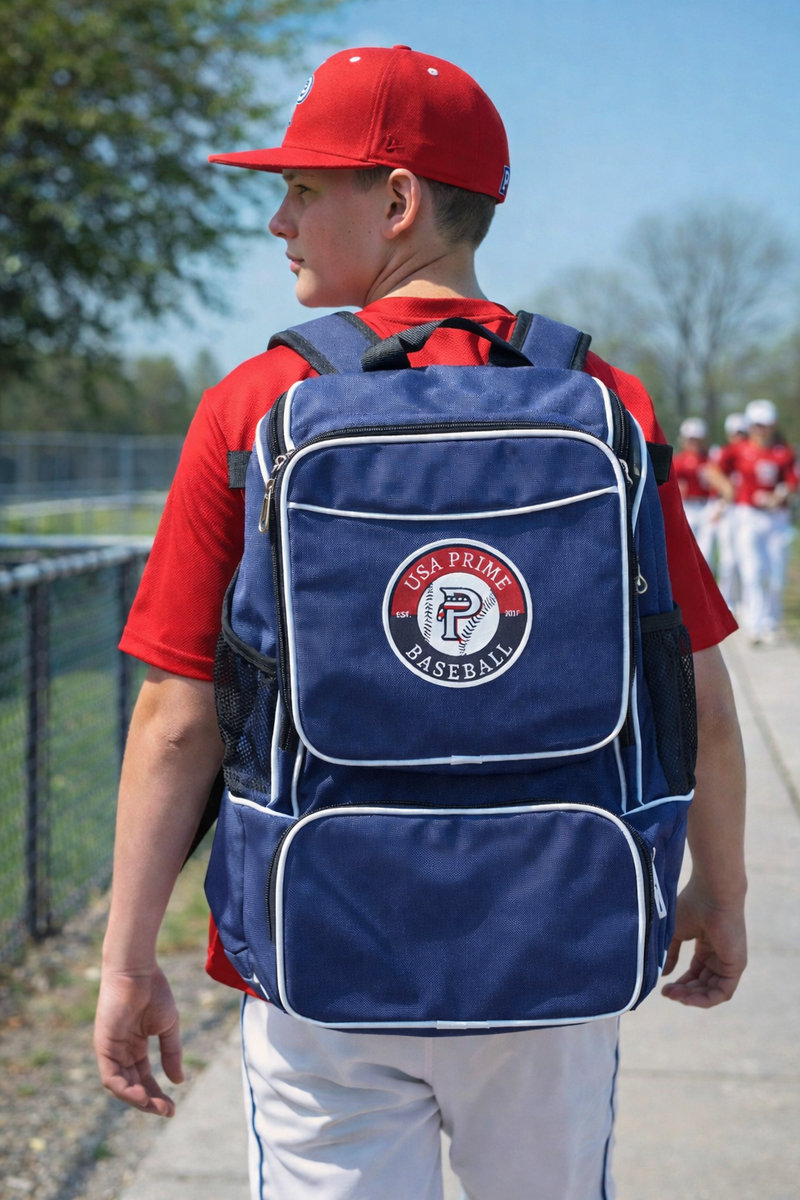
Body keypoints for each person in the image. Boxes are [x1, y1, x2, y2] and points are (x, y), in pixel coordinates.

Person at [94, 45, 747, 1200]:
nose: (277, 219)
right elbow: (696, 696)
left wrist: (125, 959)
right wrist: (716, 893)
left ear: (396, 200)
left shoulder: (256, 405)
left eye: (303, 187)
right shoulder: (605, 402)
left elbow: (177, 718)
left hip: (323, 944)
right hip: (557, 931)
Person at [709, 398, 797, 645]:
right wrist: (727, 489)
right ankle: (755, 624)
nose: (761, 429)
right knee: (753, 571)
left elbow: (791, 482)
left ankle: (771, 620)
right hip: (748, 516)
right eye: (757, 424)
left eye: (765, 424)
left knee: (775, 574)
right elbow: (713, 469)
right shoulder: (738, 449)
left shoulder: (783, 452)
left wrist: (777, 495)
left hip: (777, 518)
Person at [712, 412, 749, 610]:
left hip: (746, 510)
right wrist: (726, 494)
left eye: (742, 432)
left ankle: (744, 601)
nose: (739, 437)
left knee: (746, 560)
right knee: (728, 560)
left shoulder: (753, 452)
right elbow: (712, 473)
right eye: (735, 433)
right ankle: (727, 601)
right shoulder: (725, 453)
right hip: (729, 508)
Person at [673, 416, 715, 563]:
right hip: (687, 506)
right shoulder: (678, 460)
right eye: (691, 439)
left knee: (706, 551)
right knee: (685, 547)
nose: (694, 444)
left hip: (707, 505)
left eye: (697, 439)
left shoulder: (711, 459)